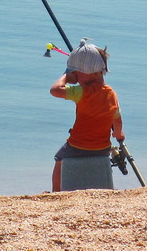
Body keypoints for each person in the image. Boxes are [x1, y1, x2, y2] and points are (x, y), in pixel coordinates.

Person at [50, 38, 125, 192]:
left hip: (77, 146)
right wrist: (119, 135)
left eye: (76, 74)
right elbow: (117, 120)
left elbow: (55, 90)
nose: (75, 78)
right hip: (103, 148)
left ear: (85, 74)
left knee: (59, 160)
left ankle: (56, 192)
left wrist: (65, 77)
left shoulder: (81, 92)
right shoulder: (112, 94)